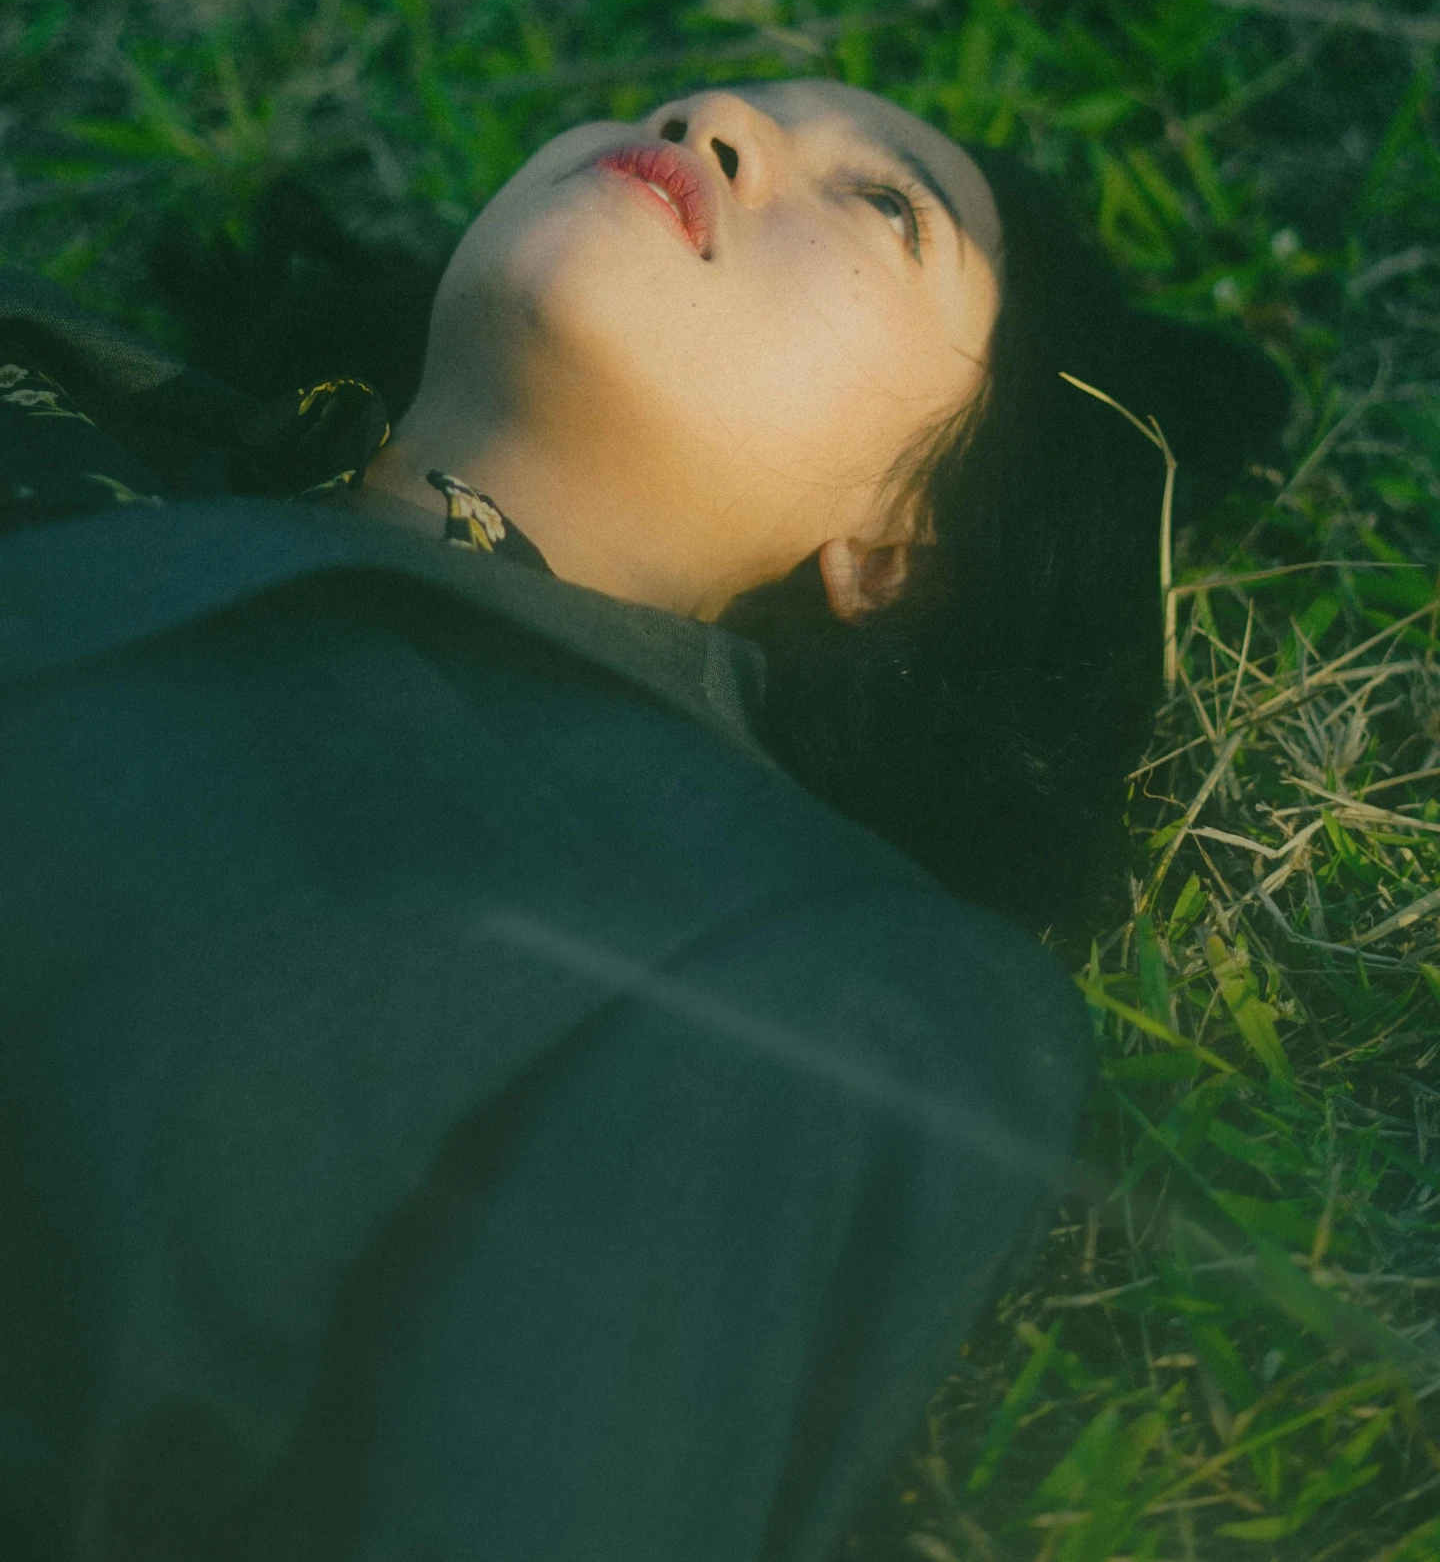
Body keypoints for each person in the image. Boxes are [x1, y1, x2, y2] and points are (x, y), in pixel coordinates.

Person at [0, 80, 1286, 1562]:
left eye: (885, 203)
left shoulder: (805, 959)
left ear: (897, 546)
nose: (716, 111)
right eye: (703, 92)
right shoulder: (47, 365)